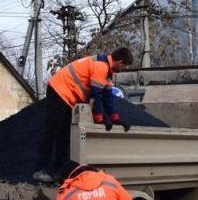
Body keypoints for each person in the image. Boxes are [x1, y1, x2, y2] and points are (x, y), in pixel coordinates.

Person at [33, 47, 135, 184]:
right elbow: (96, 95)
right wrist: (99, 118)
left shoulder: (108, 73)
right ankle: (40, 170)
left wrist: (115, 118)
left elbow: (107, 97)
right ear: (120, 62)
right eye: (124, 66)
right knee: (52, 131)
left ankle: (59, 171)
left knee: (64, 135)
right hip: (59, 90)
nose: (122, 69)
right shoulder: (101, 67)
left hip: (67, 96)